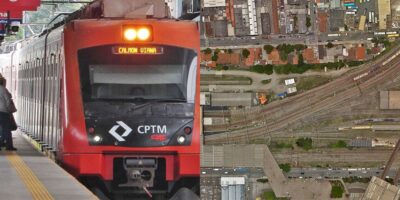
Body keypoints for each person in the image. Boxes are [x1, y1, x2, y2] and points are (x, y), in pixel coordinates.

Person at [0, 75, 17, 151]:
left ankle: (5, 144)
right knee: (6, 129)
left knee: (4, 129)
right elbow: (8, 101)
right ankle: (8, 146)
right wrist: (10, 110)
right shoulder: (3, 89)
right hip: (3, 112)